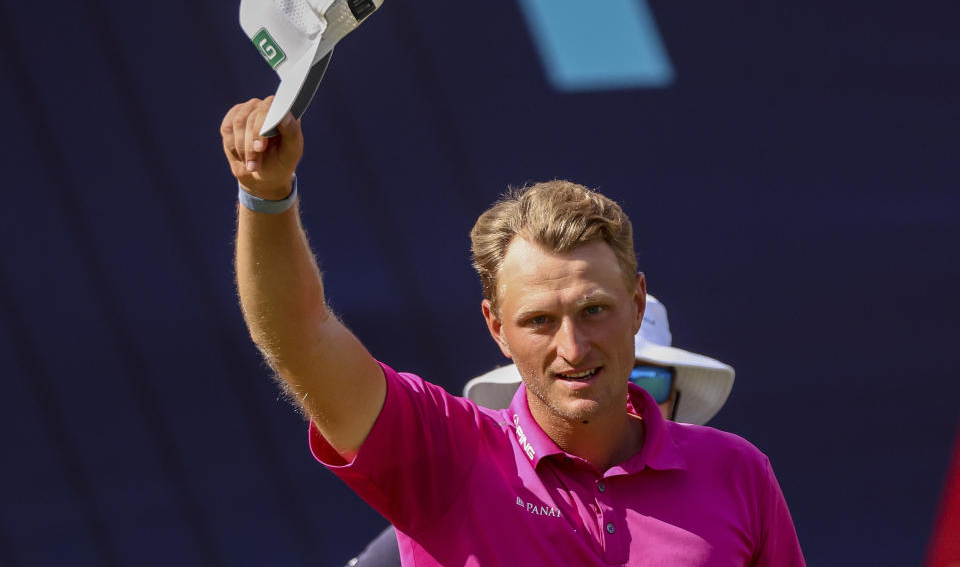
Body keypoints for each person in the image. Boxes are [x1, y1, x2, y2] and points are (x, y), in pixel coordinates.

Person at [221, 98, 805, 565]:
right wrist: (266, 198)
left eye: (594, 310)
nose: (572, 348)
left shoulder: (737, 472)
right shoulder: (442, 452)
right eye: (539, 322)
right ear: (496, 328)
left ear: (637, 303)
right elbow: (302, 337)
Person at [346, 293, 737, 566]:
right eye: (583, 376)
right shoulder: (462, 500)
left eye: (646, 381)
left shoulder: (739, 483)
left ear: (676, 397)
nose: (620, 394)